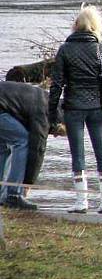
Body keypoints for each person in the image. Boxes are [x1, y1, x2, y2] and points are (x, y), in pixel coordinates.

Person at [48, 5, 102, 214]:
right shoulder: (101, 49)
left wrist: (52, 111)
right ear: (95, 26)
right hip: (98, 107)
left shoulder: (65, 49)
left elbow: (56, 84)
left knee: (77, 154)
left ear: (76, 25)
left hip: (73, 107)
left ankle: (81, 203)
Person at [0, 81, 65, 209]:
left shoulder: (46, 100)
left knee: (3, 148)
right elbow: (37, 149)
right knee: (23, 141)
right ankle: (14, 195)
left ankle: (3, 195)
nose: (56, 135)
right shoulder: (45, 111)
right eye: (59, 132)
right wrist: (28, 183)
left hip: (3, 107)